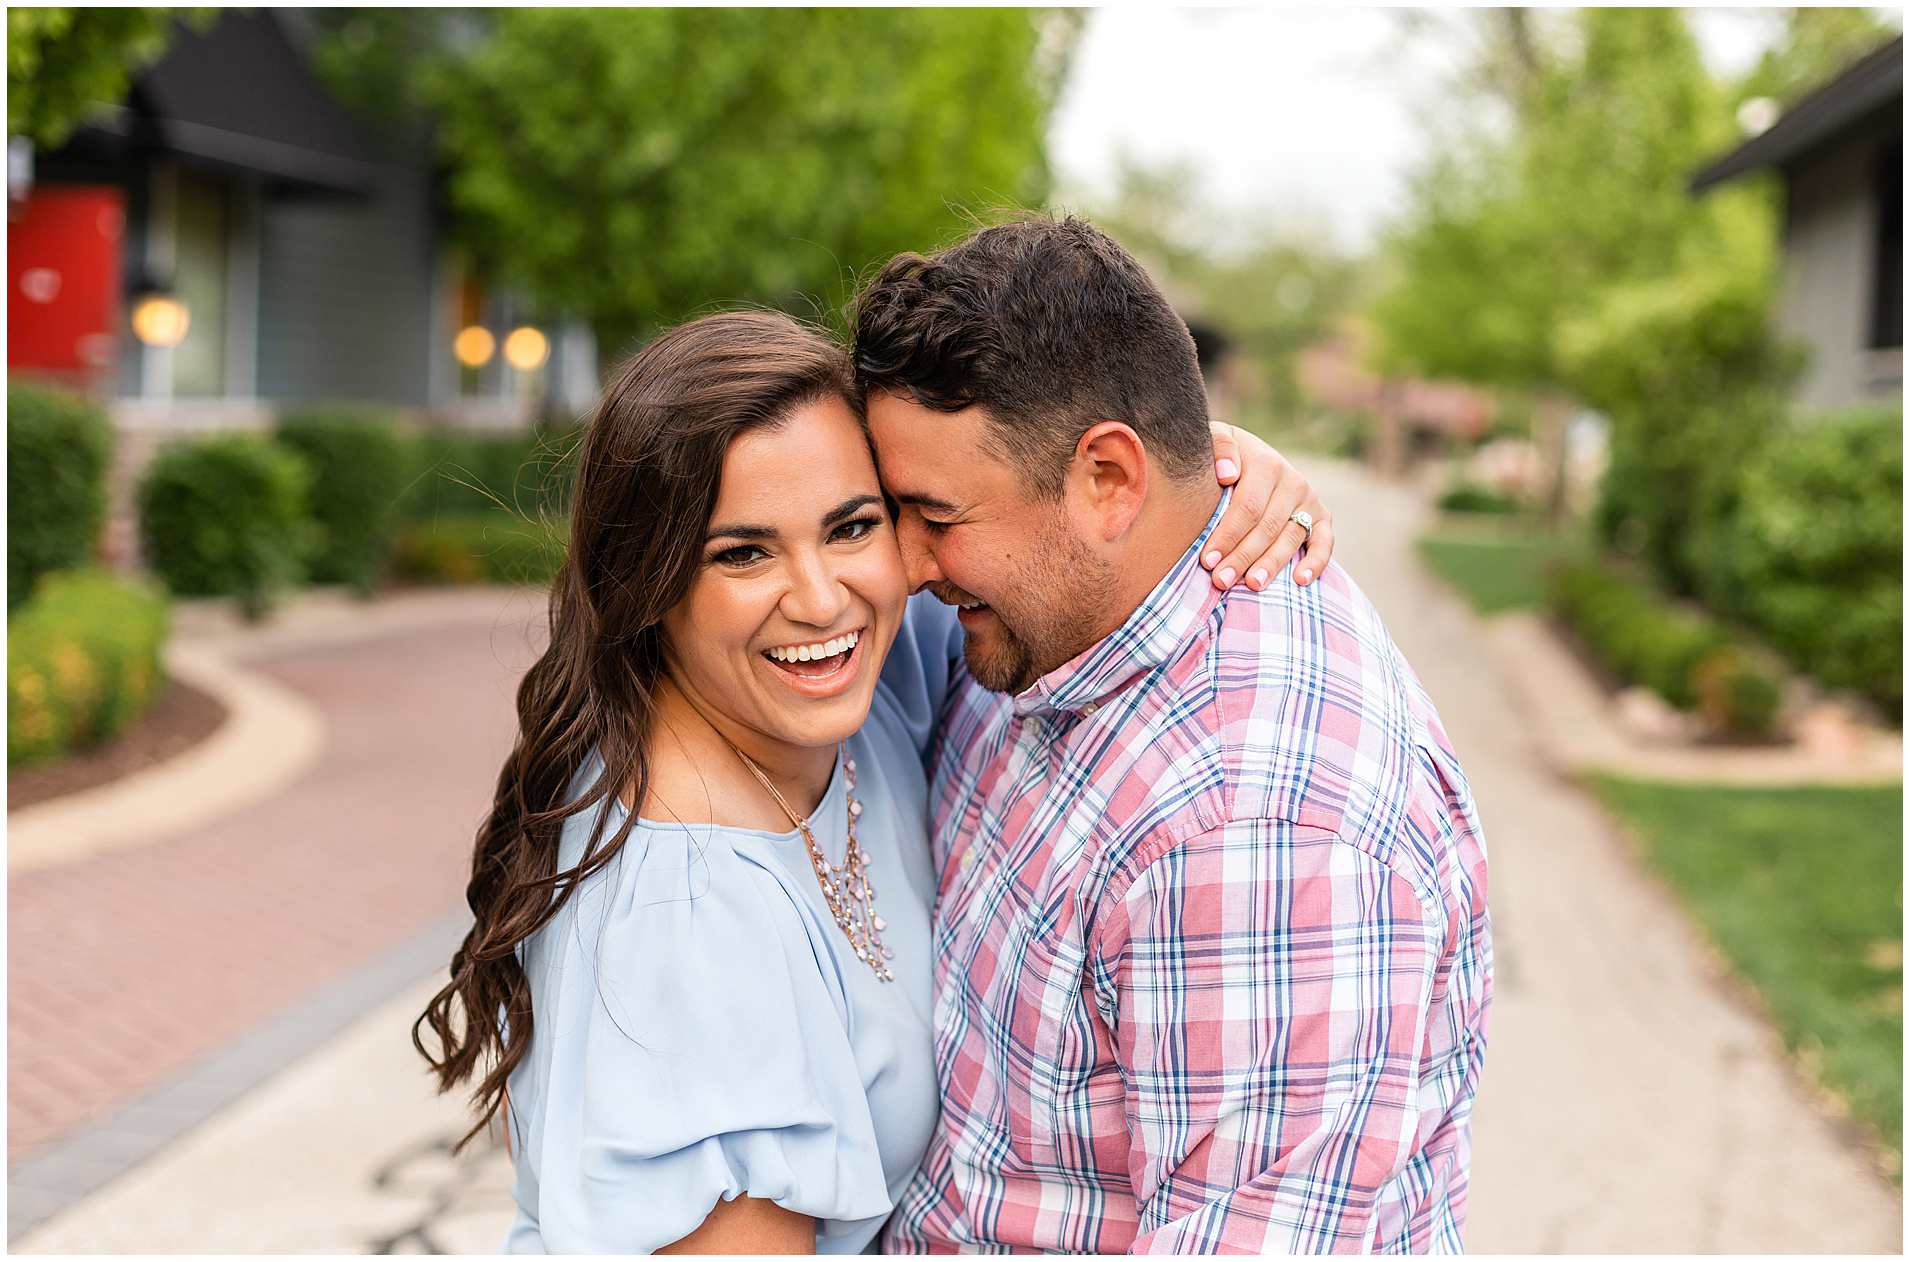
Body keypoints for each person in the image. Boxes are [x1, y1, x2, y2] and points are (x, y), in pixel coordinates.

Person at [410, 308, 1336, 1253]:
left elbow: (1067, 503)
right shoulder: (690, 919)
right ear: (649, 581)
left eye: (852, 525)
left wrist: (1211, 469)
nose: (819, 599)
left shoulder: (852, 685)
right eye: (743, 552)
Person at [851, 215, 1493, 1254]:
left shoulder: (1254, 829)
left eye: (935, 515)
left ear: (1109, 479)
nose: (908, 565)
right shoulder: (1048, 619)